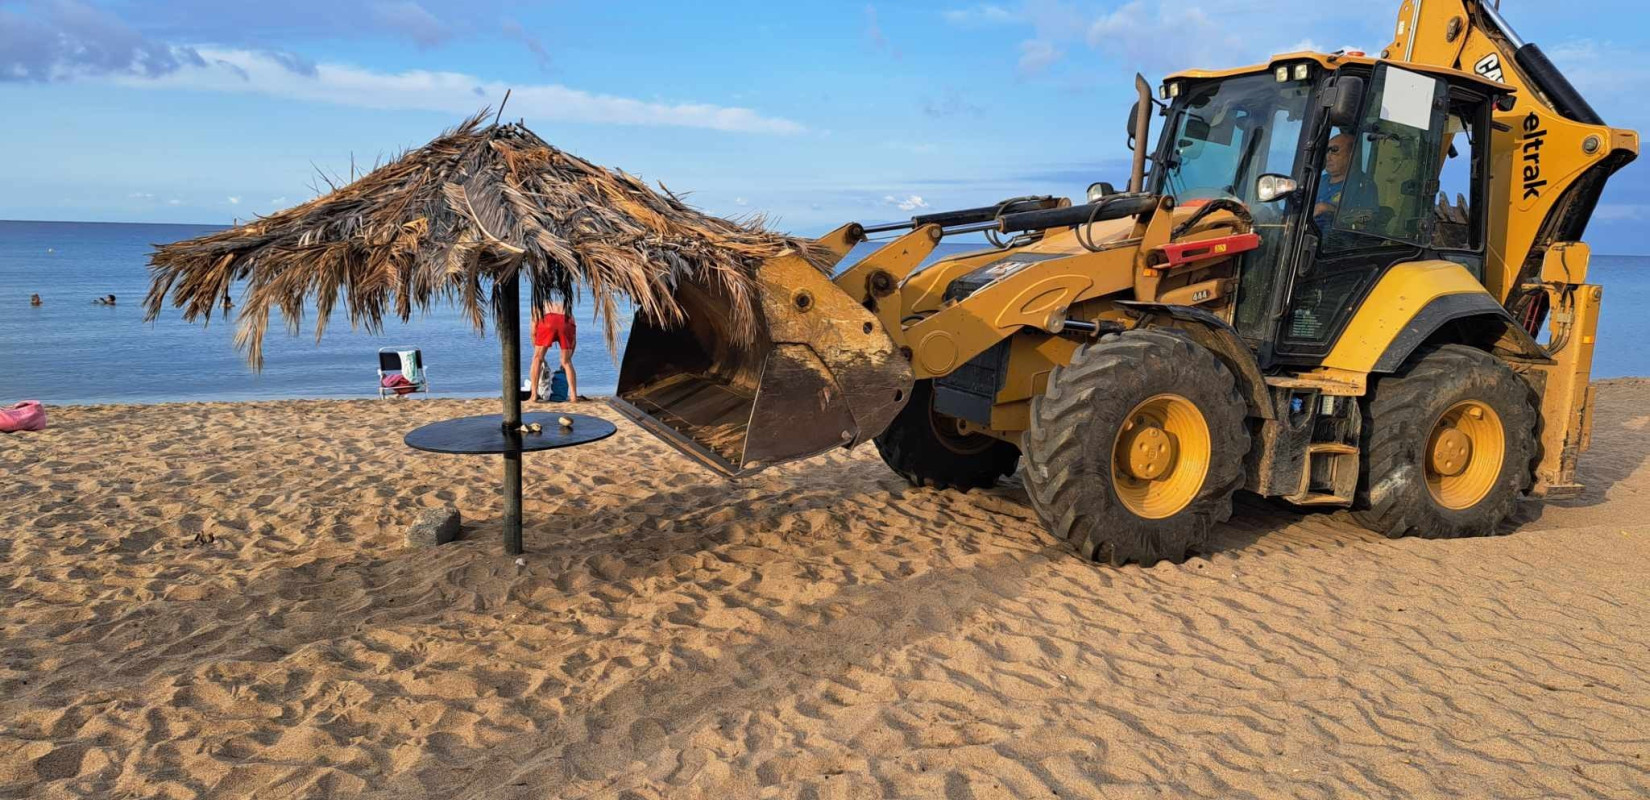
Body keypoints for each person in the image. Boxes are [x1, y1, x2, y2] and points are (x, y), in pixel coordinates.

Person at [528, 297, 584, 403]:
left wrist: (537, 354)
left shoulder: (539, 305)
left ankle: (534, 395)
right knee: (567, 363)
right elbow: (574, 340)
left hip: (548, 320)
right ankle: (573, 396)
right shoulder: (566, 307)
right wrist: (567, 359)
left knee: (536, 359)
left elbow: (533, 331)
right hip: (566, 321)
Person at [1313, 131, 1353, 230]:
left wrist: (1330, 209)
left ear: (1351, 155)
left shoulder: (1361, 184)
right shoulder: (1317, 180)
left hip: (1335, 241)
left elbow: (1367, 219)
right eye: (1327, 151)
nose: (1328, 157)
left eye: (1334, 151)